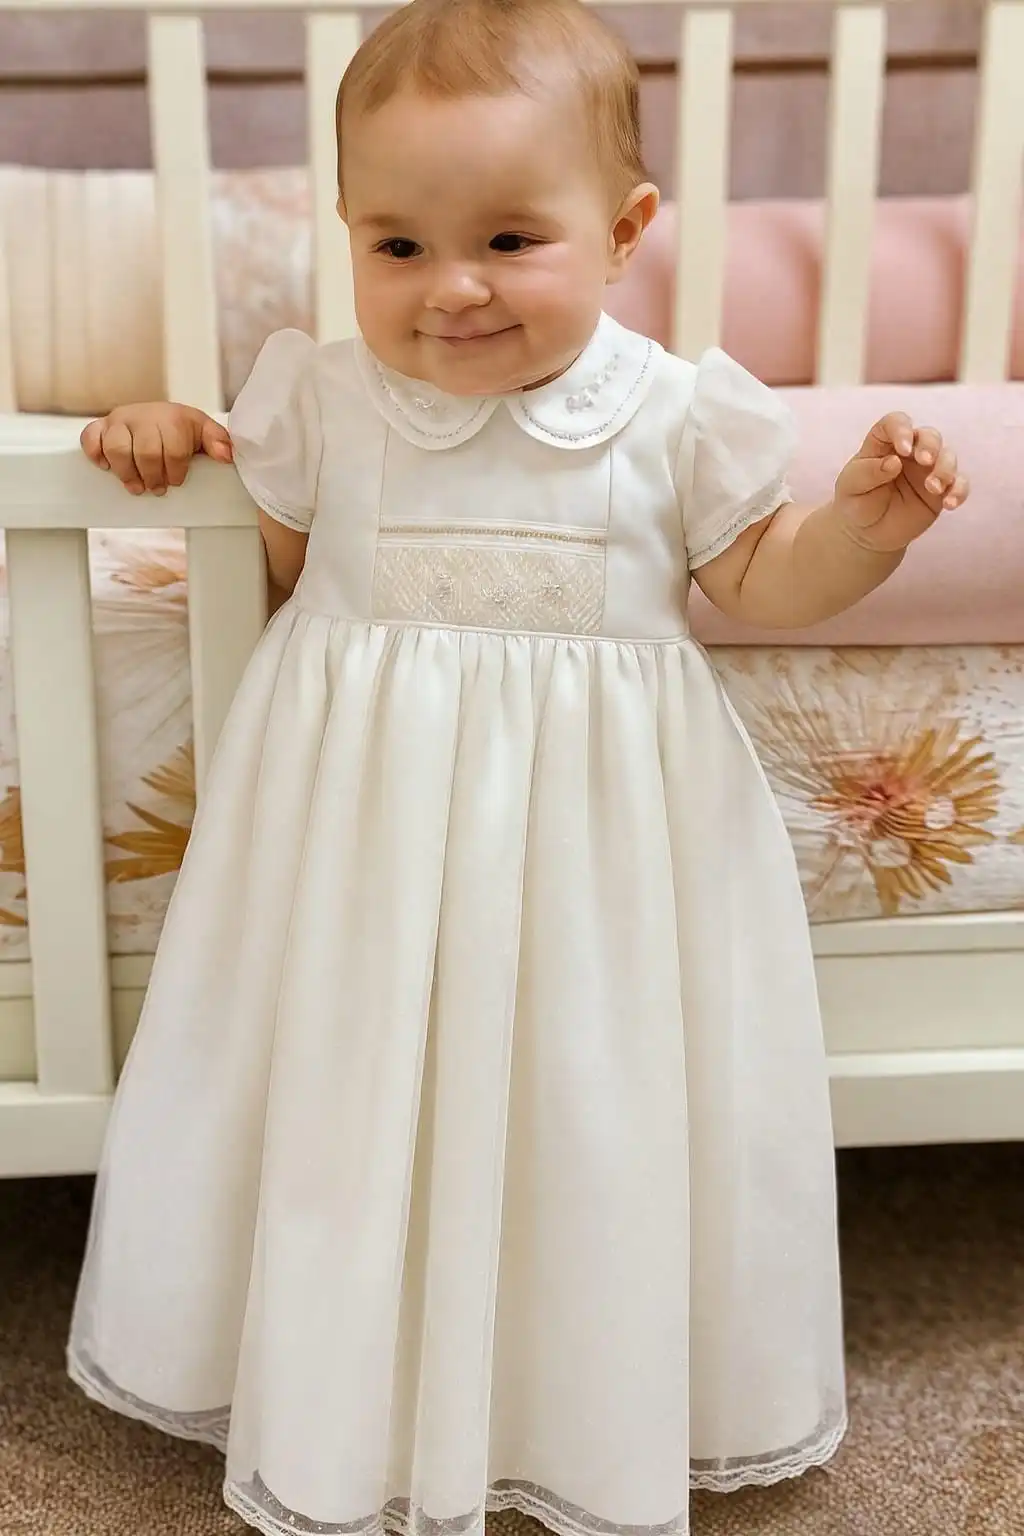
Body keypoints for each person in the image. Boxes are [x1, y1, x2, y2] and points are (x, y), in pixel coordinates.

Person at [68, 2, 969, 1533]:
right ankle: (338, 1382)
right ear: (348, 233)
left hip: (592, 850)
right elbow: (266, 558)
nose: (452, 286)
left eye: (508, 239)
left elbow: (765, 580)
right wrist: (175, 440)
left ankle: (573, 1397)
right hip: (364, 838)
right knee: (351, 1099)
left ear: (622, 232)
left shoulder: (674, 414)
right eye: (398, 245)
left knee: (587, 1113)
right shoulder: (324, 398)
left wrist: (867, 529)